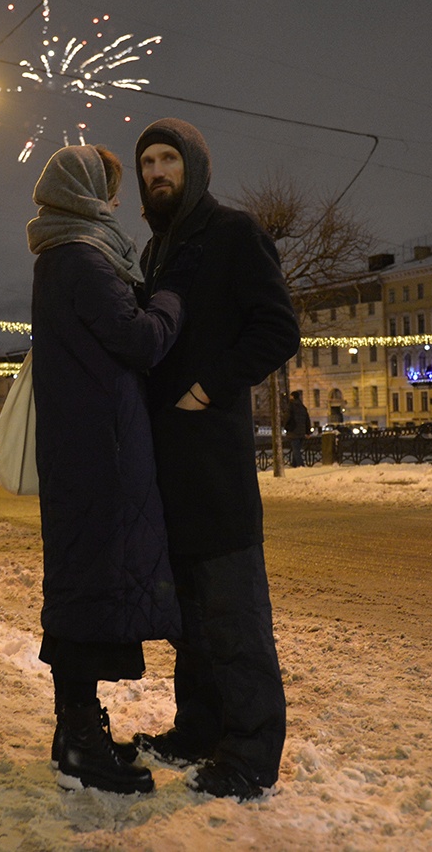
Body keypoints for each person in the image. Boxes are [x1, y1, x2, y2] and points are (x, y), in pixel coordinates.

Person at [129, 118, 300, 801]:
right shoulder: (154, 251)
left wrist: (211, 386)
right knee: (191, 617)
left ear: (194, 168)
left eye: (169, 159)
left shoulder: (234, 232)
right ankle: (198, 730)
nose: (157, 172)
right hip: (170, 466)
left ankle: (253, 753)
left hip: (217, 462)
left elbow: (278, 328)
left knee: (235, 616)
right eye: (148, 163)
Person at [28, 144, 190, 795]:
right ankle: (78, 739)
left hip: (88, 447)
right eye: (109, 184)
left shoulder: (65, 251)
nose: (118, 196)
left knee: (85, 585)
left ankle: (78, 731)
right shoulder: (82, 257)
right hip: (98, 453)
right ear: (83, 190)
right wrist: (171, 299)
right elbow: (140, 339)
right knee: (88, 590)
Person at [284, 390, 311, 467]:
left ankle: (300, 465)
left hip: (293, 431)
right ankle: (294, 465)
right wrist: (308, 432)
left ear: (292, 397)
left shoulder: (291, 406)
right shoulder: (303, 407)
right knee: (297, 449)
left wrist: (286, 426)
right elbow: (307, 420)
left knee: (296, 450)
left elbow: (287, 417)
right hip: (302, 432)